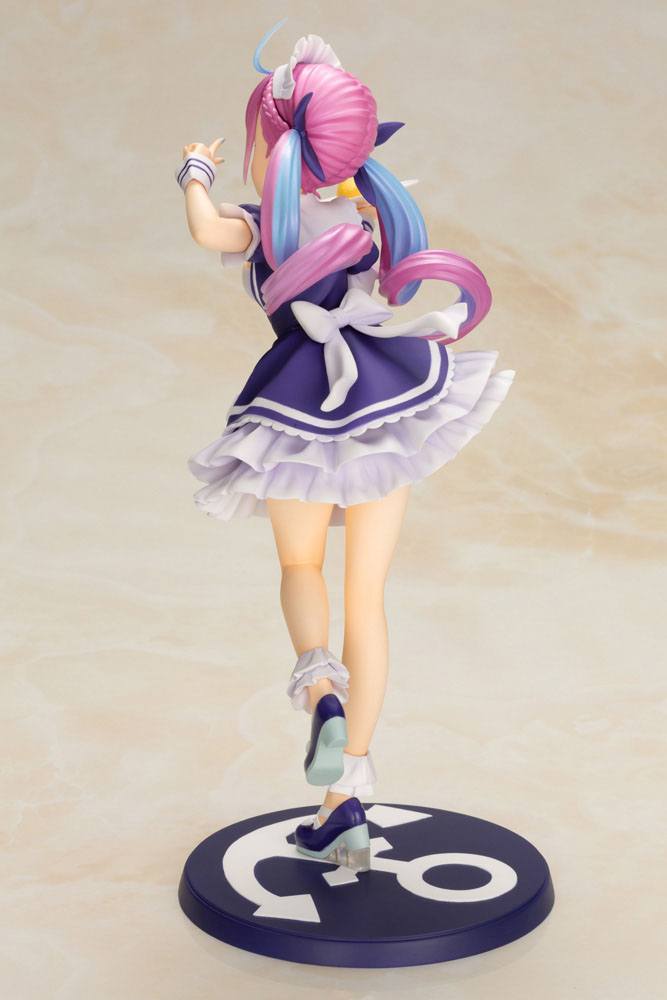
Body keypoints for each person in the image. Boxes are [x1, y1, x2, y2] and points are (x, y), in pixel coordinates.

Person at [175, 23, 515, 872]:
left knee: (300, 569)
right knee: (368, 596)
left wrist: (194, 172)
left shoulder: (265, 225)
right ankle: (349, 795)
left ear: (271, 142)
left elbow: (205, 232)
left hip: (296, 403)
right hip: (384, 400)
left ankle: (320, 691)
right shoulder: (371, 215)